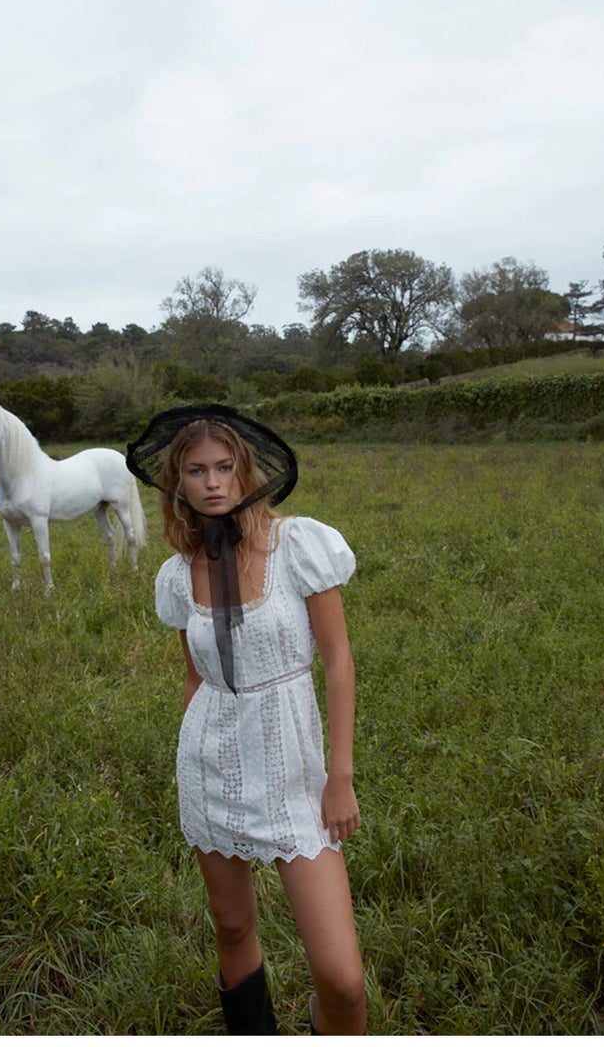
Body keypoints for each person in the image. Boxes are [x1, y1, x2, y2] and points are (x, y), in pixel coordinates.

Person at [126, 405, 367, 1036]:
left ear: (245, 473)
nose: (212, 482)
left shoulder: (299, 545)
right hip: (212, 769)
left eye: (224, 468)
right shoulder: (177, 577)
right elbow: (195, 677)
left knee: (342, 979)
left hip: (297, 776)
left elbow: (339, 661)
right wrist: (191, 778)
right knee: (232, 926)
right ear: (177, 484)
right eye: (197, 470)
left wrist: (338, 777)